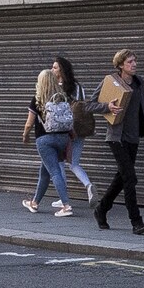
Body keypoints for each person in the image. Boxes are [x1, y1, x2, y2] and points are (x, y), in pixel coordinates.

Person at [93, 48, 144, 234]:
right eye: (130, 62)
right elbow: (89, 104)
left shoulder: (138, 82)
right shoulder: (110, 81)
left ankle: (101, 209)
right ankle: (136, 222)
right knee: (130, 179)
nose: (134, 64)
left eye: (135, 61)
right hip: (116, 138)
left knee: (122, 178)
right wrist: (107, 106)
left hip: (133, 138)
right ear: (120, 65)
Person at [23, 57, 77, 217]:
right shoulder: (62, 98)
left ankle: (66, 205)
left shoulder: (38, 99)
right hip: (62, 138)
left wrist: (25, 135)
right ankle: (35, 203)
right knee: (45, 172)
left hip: (45, 140)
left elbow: (29, 123)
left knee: (54, 172)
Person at [53, 54, 95, 201]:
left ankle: (63, 199)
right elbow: (83, 107)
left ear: (61, 70)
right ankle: (88, 184)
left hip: (63, 130)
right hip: (79, 129)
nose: (52, 70)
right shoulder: (78, 87)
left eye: (55, 67)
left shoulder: (55, 88)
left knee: (59, 163)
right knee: (74, 163)